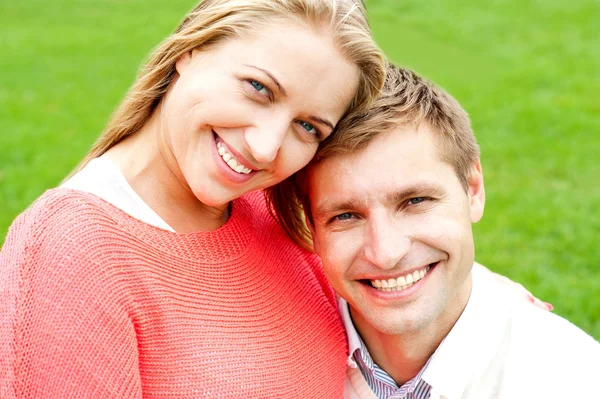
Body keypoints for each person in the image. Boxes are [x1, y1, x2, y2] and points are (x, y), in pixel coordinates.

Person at [0, 1, 387, 398]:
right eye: (258, 88)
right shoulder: (70, 252)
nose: (265, 148)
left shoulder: (279, 216)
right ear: (191, 50)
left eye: (307, 127)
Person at [300, 64, 600, 399]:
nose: (385, 253)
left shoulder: (575, 379)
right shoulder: (267, 355)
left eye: (415, 200)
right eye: (345, 216)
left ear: (473, 189)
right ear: (310, 227)